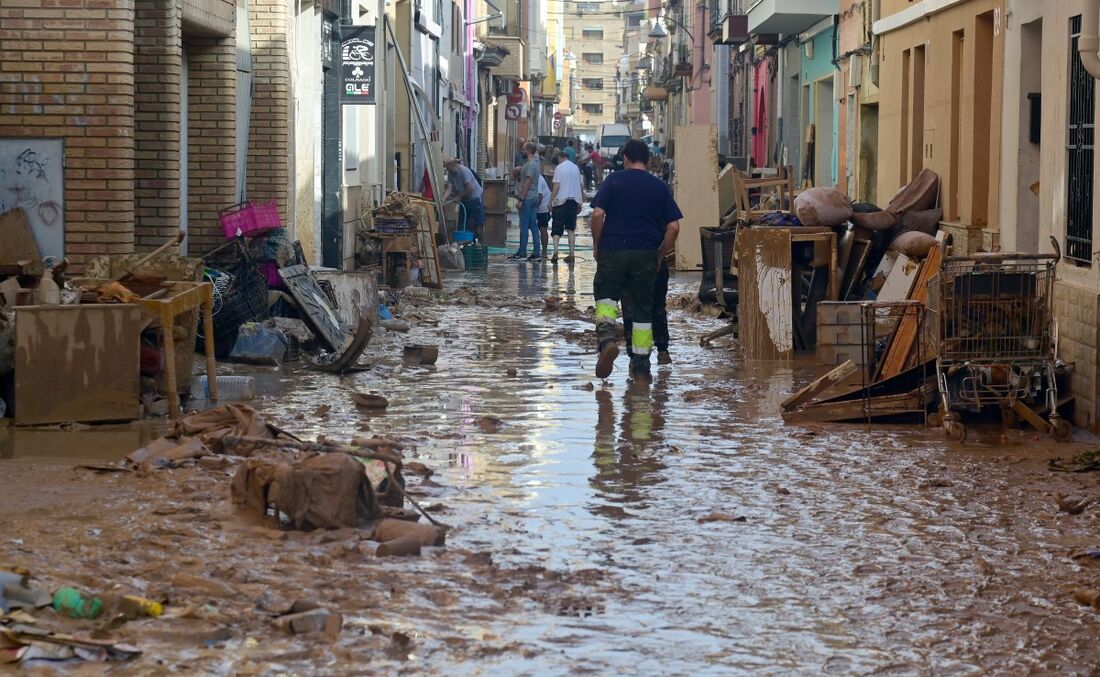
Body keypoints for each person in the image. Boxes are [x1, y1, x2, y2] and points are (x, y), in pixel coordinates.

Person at [589, 138, 682, 378]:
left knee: (606, 298)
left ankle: (608, 339)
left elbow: (597, 214)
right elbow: (674, 227)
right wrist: (660, 254)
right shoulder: (659, 186)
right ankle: (641, 366)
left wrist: (598, 244)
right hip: (646, 254)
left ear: (626, 159)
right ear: (649, 161)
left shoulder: (614, 181)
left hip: (614, 250)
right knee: (642, 309)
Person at [623, 251, 673, 364]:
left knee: (630, 310)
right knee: (658, 306)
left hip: (628, 263)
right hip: (654, 260)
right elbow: (673, 232)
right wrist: (660, 257)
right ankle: (663, 351)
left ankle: (635, 356)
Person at [548, 148, 583, 264]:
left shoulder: (559, 168)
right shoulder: (575, 168)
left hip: (560, 202)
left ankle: (555, 253)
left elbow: (556, 186)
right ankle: (572, 254)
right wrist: (580, 202)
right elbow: (580, 186)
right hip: (573, 202)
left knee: (556, 228)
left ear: (560, 158)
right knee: (570, 228)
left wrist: (550, 201)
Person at [509, 141, 542, 261]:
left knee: (524, 226)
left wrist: (521, 199)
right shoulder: (534, 164)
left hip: (527, 199)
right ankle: (536, 253)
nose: (521, 151)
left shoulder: (530, 165)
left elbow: (527, 183)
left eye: (523, 149)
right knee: (533, 225)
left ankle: (522, 252)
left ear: (528, 151)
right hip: (534, 198)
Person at [441, 157, 485, 241]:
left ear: (453, 165)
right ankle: (463, 243)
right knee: (462, 223)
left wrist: (459, 197)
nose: (446, 170)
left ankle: (478, 242)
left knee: (476, 223)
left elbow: (470, 188)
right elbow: (449, 188)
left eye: (447, 167)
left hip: (474, 199)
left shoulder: (464, 171)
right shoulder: (451, 174)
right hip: (464, 200)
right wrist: (443, 199)